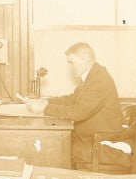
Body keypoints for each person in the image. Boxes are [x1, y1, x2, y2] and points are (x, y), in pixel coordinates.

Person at [19, 42, 129, 171]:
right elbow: (72, 99)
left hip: (102, 140)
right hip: (93, 135)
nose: (71, 67)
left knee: (53, 147)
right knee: (53, 144)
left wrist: (44, 109)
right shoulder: (93, 75)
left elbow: (78, 113)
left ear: (86, 59)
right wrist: (46, 102)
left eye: (72, 63)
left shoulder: (99, 79)